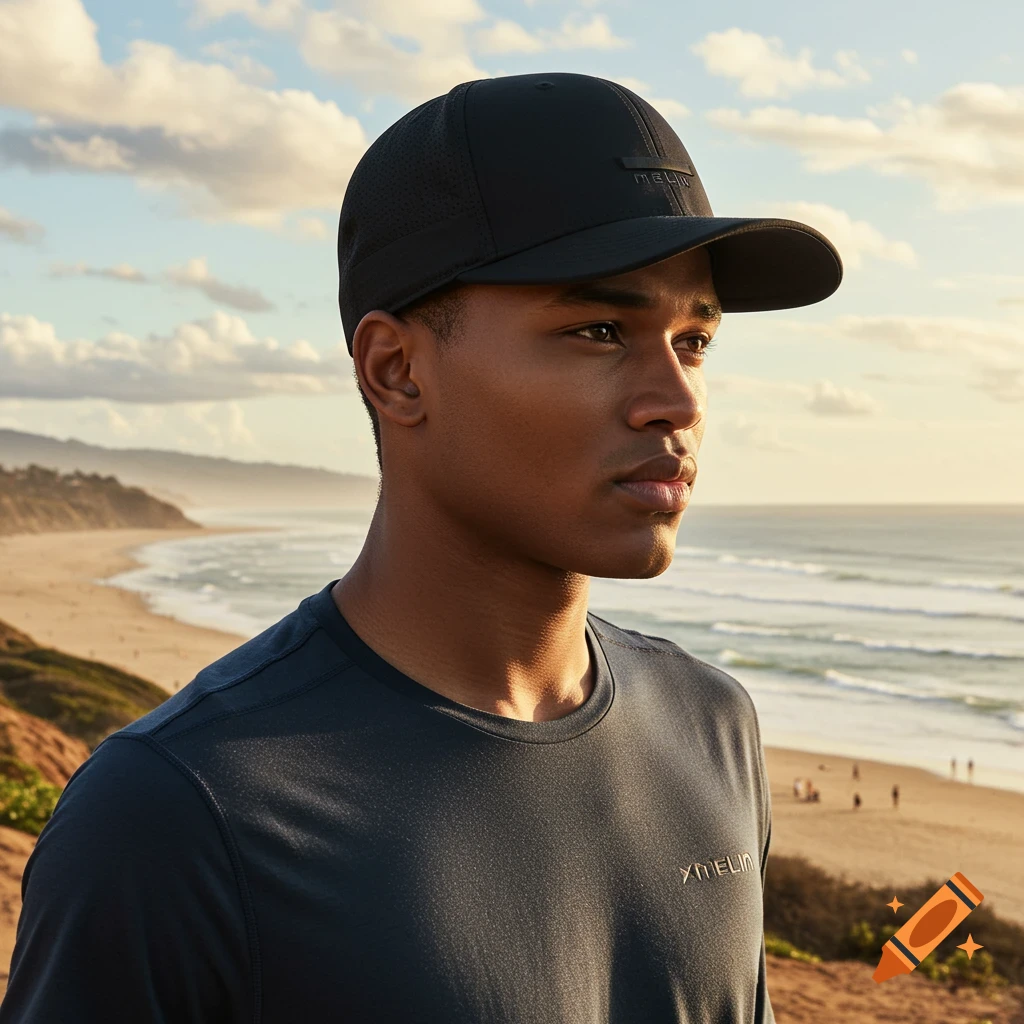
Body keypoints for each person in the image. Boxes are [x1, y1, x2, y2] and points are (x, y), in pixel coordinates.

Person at [0, 73, 842, 1023]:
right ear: (396, 371)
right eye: (600, 330)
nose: (679, 402)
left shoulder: (712, 726)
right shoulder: (182, 814)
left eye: (693, 341)